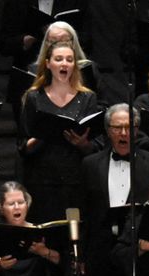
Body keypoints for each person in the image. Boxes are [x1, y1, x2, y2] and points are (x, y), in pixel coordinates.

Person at [79, 104, 149, 276]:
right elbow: (84, 210)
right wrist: (81, 254)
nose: (124, 133)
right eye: (117, 127)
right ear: (108, 130)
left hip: (138, 249)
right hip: (100, 251)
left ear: (137, 130)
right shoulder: (90, 164)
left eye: (129, 127)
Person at [20, 40, 103, 223]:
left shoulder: (87, 97)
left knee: (74, 233)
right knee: (46, 231)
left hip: (76, 180)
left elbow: (96, 147)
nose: (64, 64)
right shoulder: (34, 97)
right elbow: (23, 146)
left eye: (69, 59)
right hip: (42, 181)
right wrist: (43, 135)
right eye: (58, 59)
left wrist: (82, 144)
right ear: (48, 64)